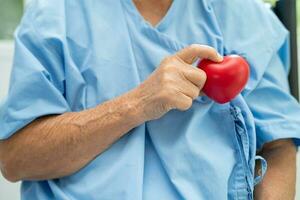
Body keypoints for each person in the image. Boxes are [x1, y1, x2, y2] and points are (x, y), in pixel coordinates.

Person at [0, 0, 299, 199]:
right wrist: (137, 104)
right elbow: (15, 160)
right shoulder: (55, 15)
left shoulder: (244, 18)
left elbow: (277, 147)